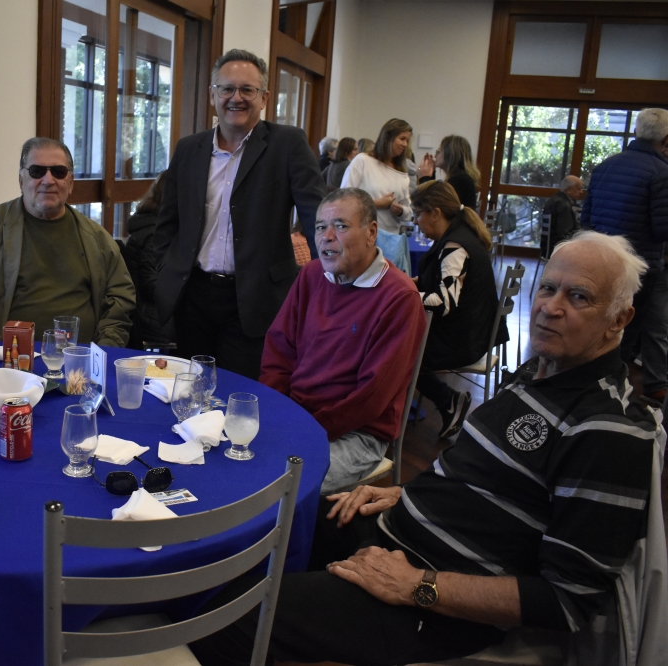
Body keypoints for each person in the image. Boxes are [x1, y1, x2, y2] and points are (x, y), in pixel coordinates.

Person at [191, 230, 667, 666]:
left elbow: (567, 600)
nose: (550, 307)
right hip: (397, 530)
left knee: (228, 618)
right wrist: (403, 494)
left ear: (619, 319)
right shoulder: (538, 374)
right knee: (234, 549)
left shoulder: (609, 430)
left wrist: (419, 587)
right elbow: (481, 476)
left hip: (439, 601)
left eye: (578, 296)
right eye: (548, 288)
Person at [150, 49, 326, 379]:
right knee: (189, 389)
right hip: (193, 297)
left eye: (247, 89)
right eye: (227, 89)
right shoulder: (189, 149)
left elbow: (317, 217)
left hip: (256, 299)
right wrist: (166, 270)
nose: (236, 98)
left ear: (264, 98)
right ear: (212, 95)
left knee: (240, 394)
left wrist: (324, 281)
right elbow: (167, 223)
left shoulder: (287, 144)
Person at [260, 188, 425, 493]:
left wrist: (303, 430)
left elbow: (370, 398)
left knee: (277, 485)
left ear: (371, 232)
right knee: (232, 458)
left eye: (340, 226)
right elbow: (279, 351)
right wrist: (275, 413)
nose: (326, 237)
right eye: (320, 227)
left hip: (356, 433)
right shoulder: (311, 275)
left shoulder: (399, 297)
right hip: (296, 415)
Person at [0, 137, 136, 346]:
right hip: (8, 357)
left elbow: (120, 300)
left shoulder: (97, 239)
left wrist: (103, 351)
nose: (48, 180)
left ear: (70, 183)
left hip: (79, 359)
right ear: (21, 180)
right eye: (37, 171)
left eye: (58, 172)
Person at [580, 107, 668, 403]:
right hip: (640, 266)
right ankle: (616, 395)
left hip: (601, 262)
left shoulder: (606, 166)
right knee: (630, 331)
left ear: (635, 132)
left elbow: (586, 221)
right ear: (666, 140)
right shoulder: (662, 173)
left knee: (600, 325)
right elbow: (662, 228)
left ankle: (589, 388)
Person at [411, 181, 500, 438]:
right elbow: (441, 280)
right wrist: (410, 283)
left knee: (396, 349)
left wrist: (406, 295)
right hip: (472, 331)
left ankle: (447, 400)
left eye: (418, 214)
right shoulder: (460, 235)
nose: (416, 221)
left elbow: (444, 301)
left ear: (436, 213)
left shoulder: (455, 247)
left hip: (462, 341)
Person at [121, 173, 174, 349]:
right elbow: (151, 285)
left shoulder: (150, 224)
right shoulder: (154, 233)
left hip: (148, 314)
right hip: (151, 319)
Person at [341, 119, 414, 233]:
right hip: (362, 234)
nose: (405, 144)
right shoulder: (363, 161)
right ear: (388, 137)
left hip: (391, 236)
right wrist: (376, 204)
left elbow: (408, 212)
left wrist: (401, 211)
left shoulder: (401, 172)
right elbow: (344, 199)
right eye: (402, 139)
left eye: (407, 141)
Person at [416, 134, 481, 210]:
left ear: (450, 154)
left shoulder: (461, 180)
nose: (435, 156)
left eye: (438, 152)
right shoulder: (459, 178)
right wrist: (430, 175)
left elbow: (432, 206)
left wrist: (424, 178)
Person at [541, 175, 585, 258]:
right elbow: (565, 234)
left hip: (547, 246)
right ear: (569, 189)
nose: (581, 192)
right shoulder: (564, 205)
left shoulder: (553, 200)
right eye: (578, 189)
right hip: (557, 249)